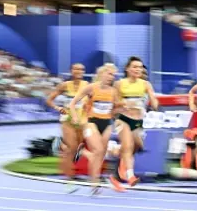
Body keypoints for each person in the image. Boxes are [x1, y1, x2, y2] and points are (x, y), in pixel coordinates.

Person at [69, 64, 124, 195]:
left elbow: (116, 109)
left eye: (113, 75)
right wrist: (75, 117)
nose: (111, 77)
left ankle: (94, 182)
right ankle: (95, 181)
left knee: (100, 155)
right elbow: (72, 103)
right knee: (98, 150)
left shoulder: (113, 92)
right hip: (92, 122)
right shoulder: (91, 88)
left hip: (107, 124)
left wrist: (122, 110)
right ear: (102, 74)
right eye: (109, 74)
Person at [114, 56, 159, 186]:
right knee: (128, 146)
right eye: (134, 67)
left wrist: (155, 104)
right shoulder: (120, 83)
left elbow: (153, 98)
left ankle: (116, 153)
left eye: (140, 67)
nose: (137, 69)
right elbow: (115, 102)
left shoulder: (145, 84)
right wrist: (124, 104)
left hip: (138, 121)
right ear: (127, 69)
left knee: (138, 146)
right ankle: (130, 176)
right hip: (123, 119)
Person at [45, 63, 88, 193]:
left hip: (82, 121)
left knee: (80, 148)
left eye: (81, 69)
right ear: (71, 71)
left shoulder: (86, 85)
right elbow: (49, 100)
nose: (79, 71)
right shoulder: (65, 85)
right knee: (72, 148)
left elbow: (94, 99)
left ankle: (61, 147)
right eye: (76, 69)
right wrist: (58, 108)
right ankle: (69, 181)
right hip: (67, 120)